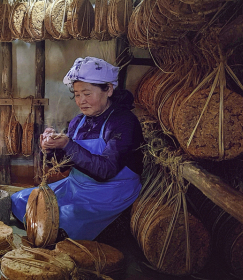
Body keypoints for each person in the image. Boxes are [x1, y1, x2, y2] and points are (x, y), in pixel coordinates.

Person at [11, 57, 144, 241]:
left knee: (59, 222)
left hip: (109, 193)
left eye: (87, 94)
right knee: (19, 201)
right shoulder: (78, 121)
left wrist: (67, 144)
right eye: (77, 94)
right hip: (75, 187)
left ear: (109, 89)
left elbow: (106, 171)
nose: (81, 101)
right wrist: (49, 149)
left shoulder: (123, 122)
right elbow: (62, 167)